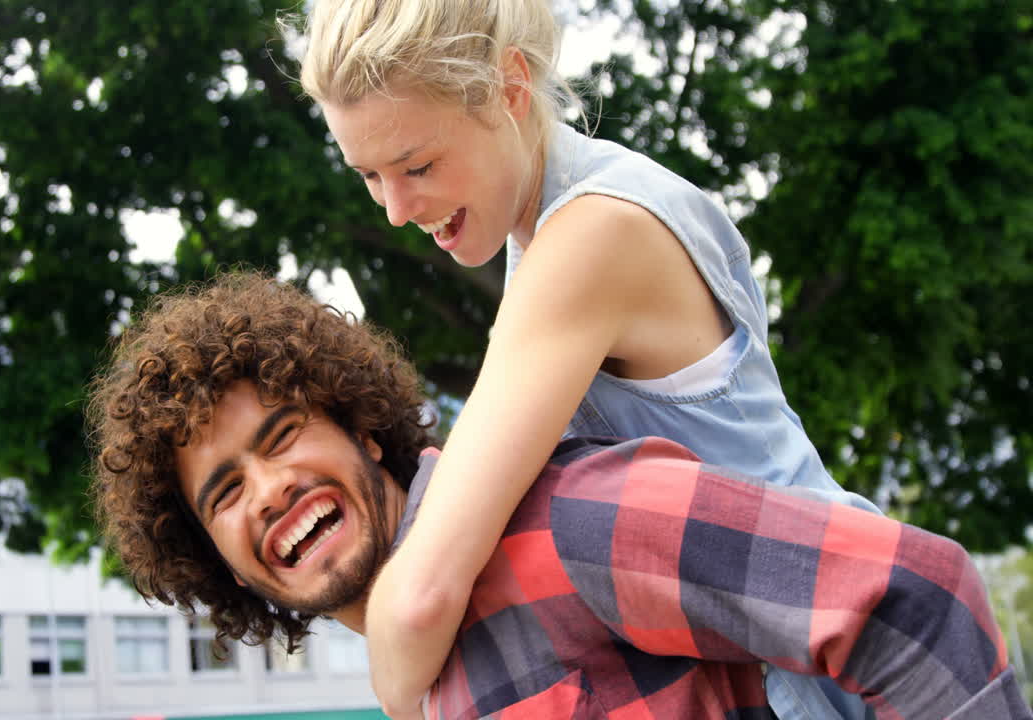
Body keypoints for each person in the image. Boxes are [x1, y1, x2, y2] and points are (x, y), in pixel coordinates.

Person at [87, 274, 1030, 720]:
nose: (270, 490)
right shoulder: (418, 687)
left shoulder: (563, 520)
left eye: (282, 435)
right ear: (212, 556)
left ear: (365, 430)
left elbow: (922, 598)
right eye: (223, 493)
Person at [292, 1, 878, 717]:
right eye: (369, 175)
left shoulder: (590, 238)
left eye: (417, 165)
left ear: (510, 88)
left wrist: (398, 696)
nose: (395, 208)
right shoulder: (557, 218)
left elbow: (419, 599)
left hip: (821, 670)